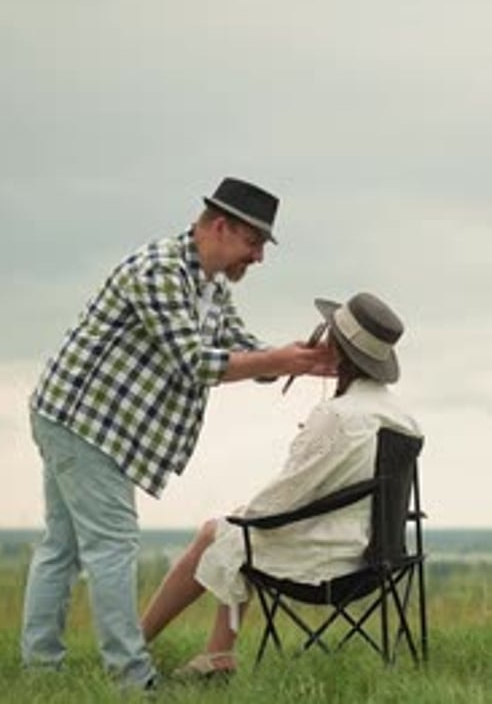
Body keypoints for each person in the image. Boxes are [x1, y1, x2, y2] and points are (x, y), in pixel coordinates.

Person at [21, 176, 335, 692]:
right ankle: (131, 679)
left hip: (87, 421)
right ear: (219, 226)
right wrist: (275, 359)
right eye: (253, 243)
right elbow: (195, 362)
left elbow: (240, 348)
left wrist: (296, 360)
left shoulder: (209, 284)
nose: (258, 258)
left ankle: (40, 672)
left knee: (62, 547)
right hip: (81, 420)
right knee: (113, 545)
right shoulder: (162, 271)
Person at [140, 291, 423, 680]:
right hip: (380, 556)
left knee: (225, 531)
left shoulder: (338, 416)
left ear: (336, 349)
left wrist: (248, 514)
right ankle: (217, 654)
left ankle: (135, 644)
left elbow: (287, 494)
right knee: (237, 533)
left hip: (331, 563)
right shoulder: (400, 418)